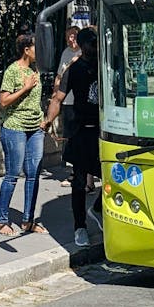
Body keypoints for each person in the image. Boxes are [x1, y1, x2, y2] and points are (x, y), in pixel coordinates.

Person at [43, 27, 103, 248]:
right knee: (78, 182)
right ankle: (80, 227)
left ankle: (97, 209)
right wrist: (49, 119)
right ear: (84, 45)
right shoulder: (74, 69)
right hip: (81, 131)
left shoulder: (105, 65)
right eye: (92, 43)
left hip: (103, 131)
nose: (96, 47)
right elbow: (58, 98)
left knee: (114, 178)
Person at [0, 33, 45, 235]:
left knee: (33, 175)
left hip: (35, 128)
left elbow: (36, 100)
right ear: (27, 50)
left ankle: (28, 220)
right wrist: (24, 88)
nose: (39, 52)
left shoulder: (35, 70)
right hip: (15, 127)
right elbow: (4, 101)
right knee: (13, 174)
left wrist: (43, 119)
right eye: (36, 47)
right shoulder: (13, 71)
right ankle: (1, 220)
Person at [54, 26, 81, 186]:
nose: (71, 39)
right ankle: (73, 171)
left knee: (79, 137)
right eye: (68, 36)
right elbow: (59, 75)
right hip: (67, 101)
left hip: (79, 101)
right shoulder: (66, 53)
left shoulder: (83, 53)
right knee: (69, 137)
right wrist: (55, 95)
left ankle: (80, 173)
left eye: (74, 36)